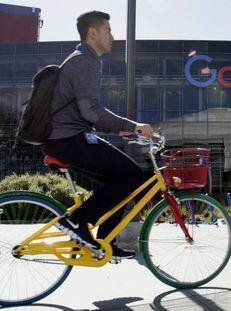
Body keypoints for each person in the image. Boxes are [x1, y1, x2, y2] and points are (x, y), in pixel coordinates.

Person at [44, 11, 152, 260]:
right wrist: (133, 125)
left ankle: (105, 241)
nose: (112, 36)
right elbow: (90, 110)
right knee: (133, 174)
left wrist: (120, 128)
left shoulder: (81, 59)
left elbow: (84, 112)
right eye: (108, 31)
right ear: (93, 33)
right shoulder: (86, 61)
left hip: (69, 138)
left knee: (118, 181)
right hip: (68, 140)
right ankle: (76, 222)